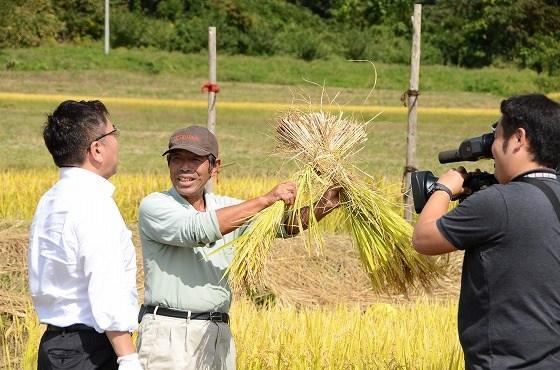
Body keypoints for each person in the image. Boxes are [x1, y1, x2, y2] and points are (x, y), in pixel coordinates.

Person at [136, 125, 340, 369]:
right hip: (169, 334)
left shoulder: (226, 207)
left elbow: (283, 226)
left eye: (195, 160)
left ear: (215, 167)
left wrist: (327, 202)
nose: (185, 168)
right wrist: (266, 200)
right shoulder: (155, 206)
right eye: (177, 159)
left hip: (216, 334)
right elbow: (196, 230)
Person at [412, 94, 560, 369]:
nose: (492, 149)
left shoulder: (499, 203)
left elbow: (423, 239)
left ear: (518, 139)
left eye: (497, 138)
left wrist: (444, 188)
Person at [28, 100, 143, 370]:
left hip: (54, 345)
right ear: (97, 149)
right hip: (91, 349)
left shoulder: (51, 199)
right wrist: (127, 357)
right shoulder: (93, 203)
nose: (118, 141)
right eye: (114, 133)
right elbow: (105, 284)